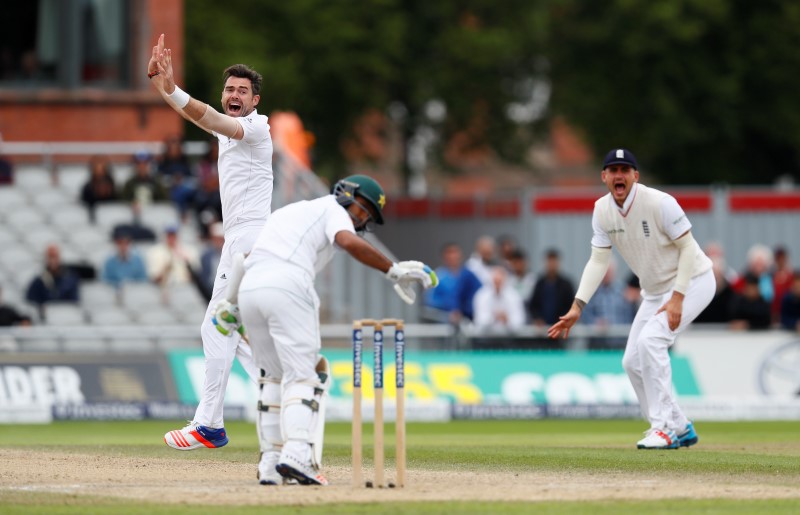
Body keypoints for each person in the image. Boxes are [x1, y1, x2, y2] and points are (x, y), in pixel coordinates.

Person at [214, 174, 437, 485]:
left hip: (250, 289)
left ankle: (270, 463)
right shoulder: (332, 209)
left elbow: (244, 258)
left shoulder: (290, 213)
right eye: (361, 209)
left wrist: (230, 303)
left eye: (366, 217)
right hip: (288, 285)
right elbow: (347, 240)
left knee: (272, 377)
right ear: (345, 193)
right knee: (305, 375)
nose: (360, 220)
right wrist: (393, 270)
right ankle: (297, 455)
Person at [149, 34, 273, 450]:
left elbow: (212, 119)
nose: (233, 95)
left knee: (214, 325)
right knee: (232, 331)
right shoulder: (230, 131)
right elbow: (203, 119)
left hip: (250, 238)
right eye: (229, 89)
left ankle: (209, 425)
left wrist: (174, 90)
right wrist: (163, 84)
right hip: (239, 237)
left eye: (242, 91)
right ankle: (284, 393)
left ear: (255, 100)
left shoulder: (255, 128)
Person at [547, 148, 714, 450]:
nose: (619, 175)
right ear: (604, 177)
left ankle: (663, 429)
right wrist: (577, 306)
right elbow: (598, 261)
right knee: (631, 362)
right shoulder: (601, 210)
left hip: (693, 282)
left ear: (636, 176)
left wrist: (677, 297)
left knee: (651, 341)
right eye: (613, 170)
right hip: (654, 291)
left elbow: (689, 248)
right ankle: (679, 425)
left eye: (625, 170)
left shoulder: (660, 203)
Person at [580, 258, 636, 349]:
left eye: (609, 271)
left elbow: (630, 315)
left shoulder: (623, 292)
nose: (606, 274)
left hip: (620, 343)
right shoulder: (591, 292)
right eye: (604, 271)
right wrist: (595, 323)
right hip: (597, 344)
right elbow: (584, 314)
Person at [424, 242, 482, 324]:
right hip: (444, 326)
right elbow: (430, 304)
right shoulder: (438, 276)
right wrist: (448, 315)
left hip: (468, 323)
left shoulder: (468, 275)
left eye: (455, 253)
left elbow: (480, 294)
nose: (453, 256)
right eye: (449, 253)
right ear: (444, 256)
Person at [25, 244, 81, 321]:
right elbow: (31, 299)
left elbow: (74, 300)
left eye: (55, 256)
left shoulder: (70, 279)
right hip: (45, 319)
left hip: (66, 317)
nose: (53, 260)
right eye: (50, 256)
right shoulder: (39, 281)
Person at [472, 266, 526, 336]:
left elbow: (519, 322)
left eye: (500, 281)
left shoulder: (514, 296)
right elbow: (479, 322)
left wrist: (507, 319)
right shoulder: (481, 296)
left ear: (505, 280)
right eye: (495, 281)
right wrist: (493, 317)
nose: (497, 285)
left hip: (510, 339)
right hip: (486, 339)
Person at [528, 248, 575, 327]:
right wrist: (537, 318)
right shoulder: (540, 283)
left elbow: (571, 305)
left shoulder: (566, 284)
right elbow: (533, 305)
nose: (552, 264)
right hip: (542, 330)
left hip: (560, 327)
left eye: (554, 261)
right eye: (549, 261)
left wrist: (563, 320)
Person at [157, 136, 196, 220]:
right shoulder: (163, 165)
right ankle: (183, 213)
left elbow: (192, 179)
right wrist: (173, 180)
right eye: (172, 148)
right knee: (178, 192)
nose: (174, 150)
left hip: (185, 190)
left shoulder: (185, 163)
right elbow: (159, 180)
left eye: (176, 147)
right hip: (169, 190)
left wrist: (182, 180)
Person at [80, 155, 118, 222]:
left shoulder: (112, 185)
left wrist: (108, 192)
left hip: (111, 215)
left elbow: (116, 201)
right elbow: (84, 202)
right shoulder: (88, 187)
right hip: (94, 215)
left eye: (102, 168)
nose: (99, 171)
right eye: (97, 168)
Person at [199, 222, 225, 300]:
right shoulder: (205, 256)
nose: (218, 241)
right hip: (210, 292)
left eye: (220, 239)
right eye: (216, 238)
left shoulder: (231, 254)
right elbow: (204, 277)